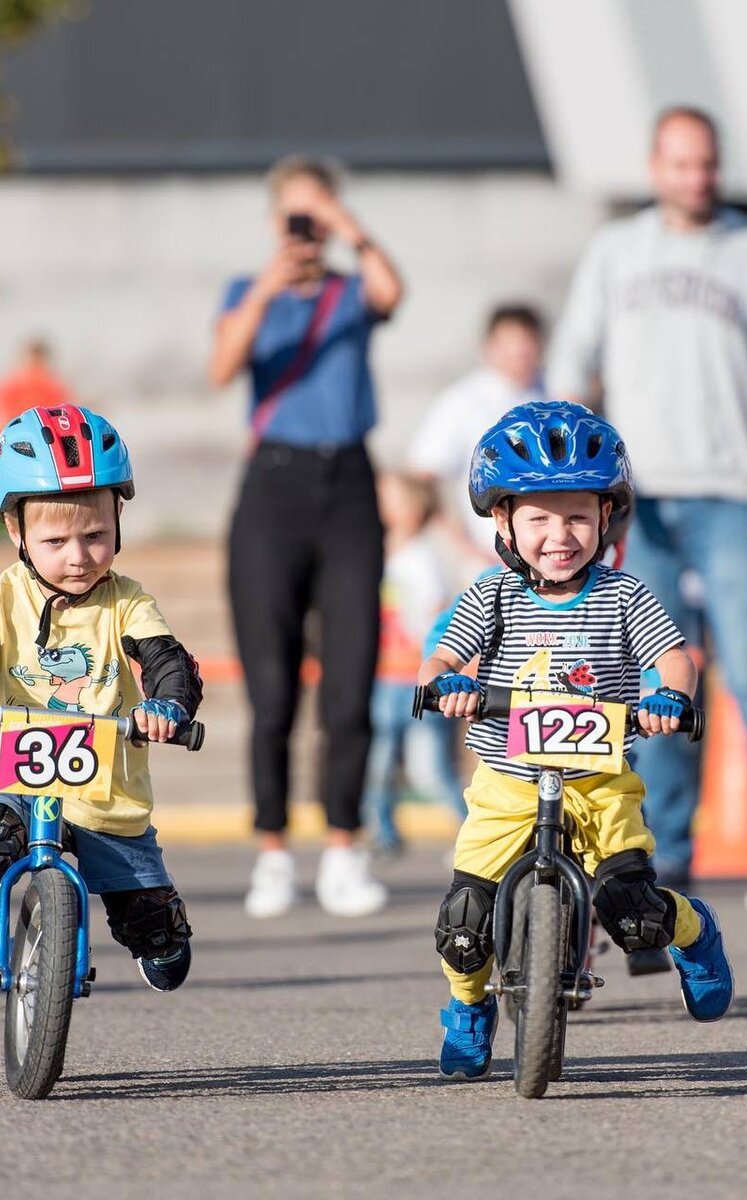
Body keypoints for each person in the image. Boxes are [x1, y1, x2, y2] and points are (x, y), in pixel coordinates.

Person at [419, 401, 734, 1080]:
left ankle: (695, 932)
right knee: (464, 921)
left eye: (577, 517)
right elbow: (440, 658)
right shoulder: (493, 595)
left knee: (634, 914)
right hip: (507, 780)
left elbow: (675, 656)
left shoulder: (624, 596)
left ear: (604, 517)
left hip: (599, 781)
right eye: (538, 517)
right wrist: (446, 684)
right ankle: (468, 1005)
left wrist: (669, 697)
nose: (559, 534)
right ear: (503, 520)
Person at [548, 106, 747, 911]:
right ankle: (665, 855)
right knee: (655, 679)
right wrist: (571, 480)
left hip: (730, 489)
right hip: (640, 497)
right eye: (681, 164)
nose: (696, 178)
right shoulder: (617, 250)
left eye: (707, 165)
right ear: (656, 165)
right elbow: (573, 365)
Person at [0, 404, 202, 1052]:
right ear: (14, 530)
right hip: (11, 771)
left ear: (118, 522)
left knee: (151, 926)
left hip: (105, 792)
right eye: (56, 542)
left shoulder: (127, 601)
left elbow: (167, 661)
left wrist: (169, 706)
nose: (78, 557)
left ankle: (159, 929)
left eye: (95, 535)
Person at [209, 154, 404, 918]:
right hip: (273, 487)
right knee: (272, 689)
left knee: (351, 680)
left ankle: (345, 848)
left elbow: (393, 293)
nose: (307, 232)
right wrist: (268, 281)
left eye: (316, 217)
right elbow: (222, 364)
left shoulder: (354, 292)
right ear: (271, 221)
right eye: (295, 216)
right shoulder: (245, 294)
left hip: (349, 485)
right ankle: (272, 850)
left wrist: (350, 229)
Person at [364, 473, 464, 855]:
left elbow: (438, 616)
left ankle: (472, 831)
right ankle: (383, 833)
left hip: (414, 679)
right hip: (382, 678)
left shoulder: (423, 557)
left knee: (431, 770)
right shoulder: (380, 552)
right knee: (379, 763)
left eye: (389, 500)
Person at [409, 304, 546, 578]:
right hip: (485, 561)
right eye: (509, 343)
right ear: (489, 347)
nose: (519, 352)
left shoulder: (556, 396)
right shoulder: (464, 400)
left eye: (526, 342)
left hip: (549, 558)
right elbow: (423, 475)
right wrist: (464, 546)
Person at [0, 338, 75, 438]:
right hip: (43, 438)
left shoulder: (8, 382)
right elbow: (65, 416)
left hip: (9, 436)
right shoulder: (55, 385)